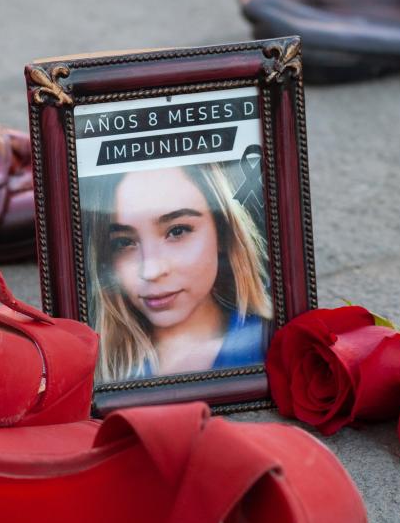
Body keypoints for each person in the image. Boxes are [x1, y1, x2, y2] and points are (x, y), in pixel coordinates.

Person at [83, 162, 272, 383]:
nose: (151, 271)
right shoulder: (98, 370)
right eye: (124, 243)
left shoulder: (270, 347)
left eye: (177, 231)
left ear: (222, 232)